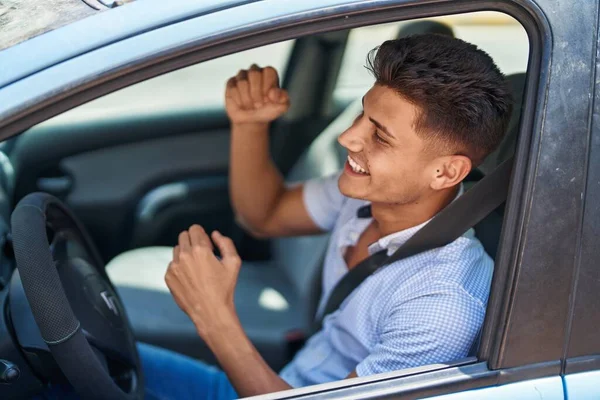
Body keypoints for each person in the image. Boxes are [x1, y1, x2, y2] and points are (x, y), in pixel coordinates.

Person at [41, 33, 512, 400]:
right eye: (361, 116)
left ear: (446, 171)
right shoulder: (363, 195)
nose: (348, 138)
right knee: (57, 360)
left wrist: (214, 317)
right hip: (279, 380)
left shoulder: (443, 304)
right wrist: (249, 125)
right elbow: (263, 216)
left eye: (380, 136)